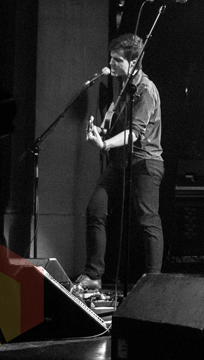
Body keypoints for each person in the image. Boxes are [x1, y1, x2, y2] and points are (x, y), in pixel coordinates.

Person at [73, 33, 164, 292]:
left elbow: (134, 133)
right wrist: (100, 132)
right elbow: (113, 127)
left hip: (145, 162)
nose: (111, 64)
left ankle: (154, 282)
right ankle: (93, 275)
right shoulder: (123, 89)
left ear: (133, 62)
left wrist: (105, 145)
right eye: (111, 59)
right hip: (121, 162)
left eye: (116, 60)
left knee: (147, 220)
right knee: (96, 209)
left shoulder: (146, 89)